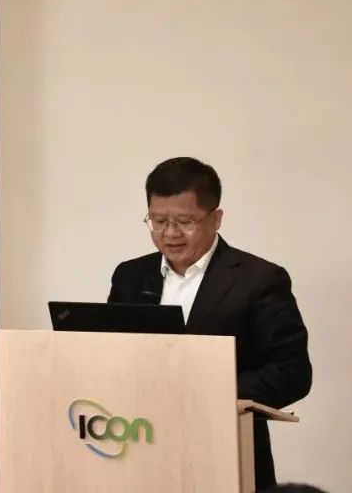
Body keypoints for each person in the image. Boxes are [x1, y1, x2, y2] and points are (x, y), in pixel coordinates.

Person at [107, 157, 312, 491]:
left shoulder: (259, 280)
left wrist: (206, 391)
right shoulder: (130, 276)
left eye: (185, 221)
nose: (170, 233)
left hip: (226, 453)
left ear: (216, 219)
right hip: (137, 447)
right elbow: (110, 354)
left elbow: (292, 372)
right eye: (158, 221)